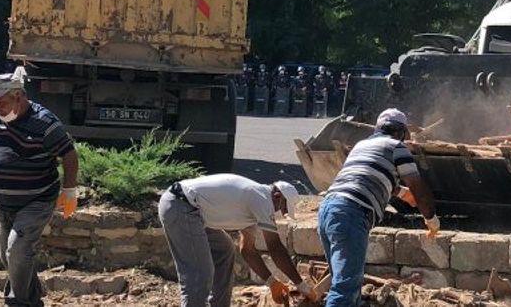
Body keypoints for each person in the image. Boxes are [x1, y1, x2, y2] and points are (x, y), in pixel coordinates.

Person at [0, 70, 79, 306]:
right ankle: (33, 300)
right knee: (10, 258)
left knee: (16, 250)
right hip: (2, 204)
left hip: (36, 201)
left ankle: (16, 302)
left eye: (2, 102)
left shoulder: (44, 122)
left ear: (18, 96)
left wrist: (69, 191)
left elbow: (69, 155)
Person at [319, 108, 438, 306]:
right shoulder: (396, 147)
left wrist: (400, 193)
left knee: (345, 285)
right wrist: (431, 219)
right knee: (344, 291)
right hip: (352, 212)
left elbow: (366, 176)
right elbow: (418, 187)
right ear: (400, 132)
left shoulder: (361, 145)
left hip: (328, 210)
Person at [158, 174, 317, 306]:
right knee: (200, 273)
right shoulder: (262, 198)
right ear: (277, 196)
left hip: (194, 211)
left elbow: (247, 251)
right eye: (281, 208)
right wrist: (301, 285)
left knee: (224, 249)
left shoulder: (254, 206)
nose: (279, 213)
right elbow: (275, 248)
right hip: (181, 205)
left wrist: (272, 282)